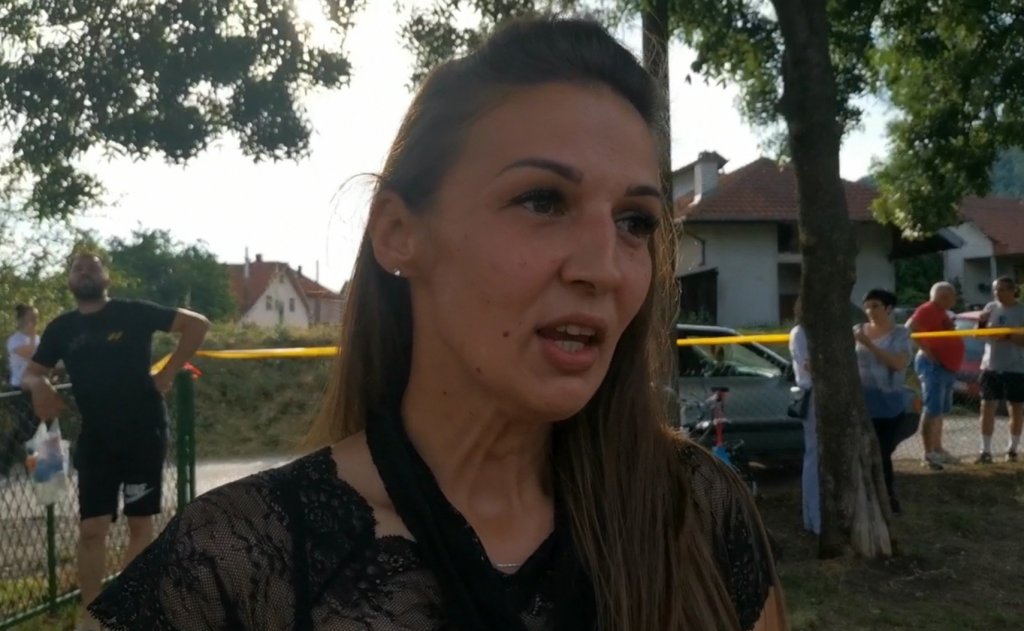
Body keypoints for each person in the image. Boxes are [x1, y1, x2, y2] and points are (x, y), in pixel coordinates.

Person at [87, 17, 786, 631]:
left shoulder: (695, 511)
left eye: (634, 221)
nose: (603, 267)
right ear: (399, 233)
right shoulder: (236, 567)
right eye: (543, 201)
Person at [21, 252, 210, 631]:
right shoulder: (62, 328)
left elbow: (197, 325)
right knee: (91, 529)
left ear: (106, 276)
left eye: (93, 266)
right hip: (96, 439)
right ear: (70, 280)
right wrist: (39, 385)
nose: (85, 271)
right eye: (77, 268)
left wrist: (168, 372)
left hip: (143, 433)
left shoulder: (133, 312)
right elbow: (31, 372)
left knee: (140, 525)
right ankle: (91, 616)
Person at [853, 289, 912, 515]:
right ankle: (865, 496)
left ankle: (887, 496)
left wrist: (869, 344)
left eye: (875, 306)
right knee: (864, 452)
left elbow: (898, 363)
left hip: (889, 404)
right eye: (867, 306)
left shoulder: (900, 334)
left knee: (882, 452)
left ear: (888, 308)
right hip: (862, 403)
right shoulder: (857, 331)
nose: (870, 311)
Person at [907, 281, 964, 470]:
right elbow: (911, 327)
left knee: (939, 411)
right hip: (933, 366)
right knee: (932, 410)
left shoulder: (942, 313)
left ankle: (938, 449)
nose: (953, 299)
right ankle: (928, 453)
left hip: (946, 367)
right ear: (943, 296)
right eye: (951, 296)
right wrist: (926, 349)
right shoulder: (928, 309)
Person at [975, 276, 1024, 463]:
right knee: (987, 406)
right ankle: (985, 451)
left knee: (1016, 408)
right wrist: (981, 323)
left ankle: (1012, 449)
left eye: (1002, 289)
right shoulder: (990, 307)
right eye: (995, 289)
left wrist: (1006, 335)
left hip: (1016, 367)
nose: (998, 293)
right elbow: (979, 335)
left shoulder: (1021, 310)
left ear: (1013, 291)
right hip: (990, 366)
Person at [789, 298, 819, 534]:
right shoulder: (800, 332)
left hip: (824, 393)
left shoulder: (822, 330)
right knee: (814, 456)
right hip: (813, 394)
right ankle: (814, 517)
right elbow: (810, 365)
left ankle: (817, 516)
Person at [2, 304, 40, 474]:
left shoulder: (37, 338)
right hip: (20, 387)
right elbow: (31, 354)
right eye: (31, 317)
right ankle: (6, 461)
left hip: (36, 386)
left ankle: (30, 463)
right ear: (22, 319)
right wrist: (31, 337)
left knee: (35, 425)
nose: (35, 321)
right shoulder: (15, 340)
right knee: (25, 426)